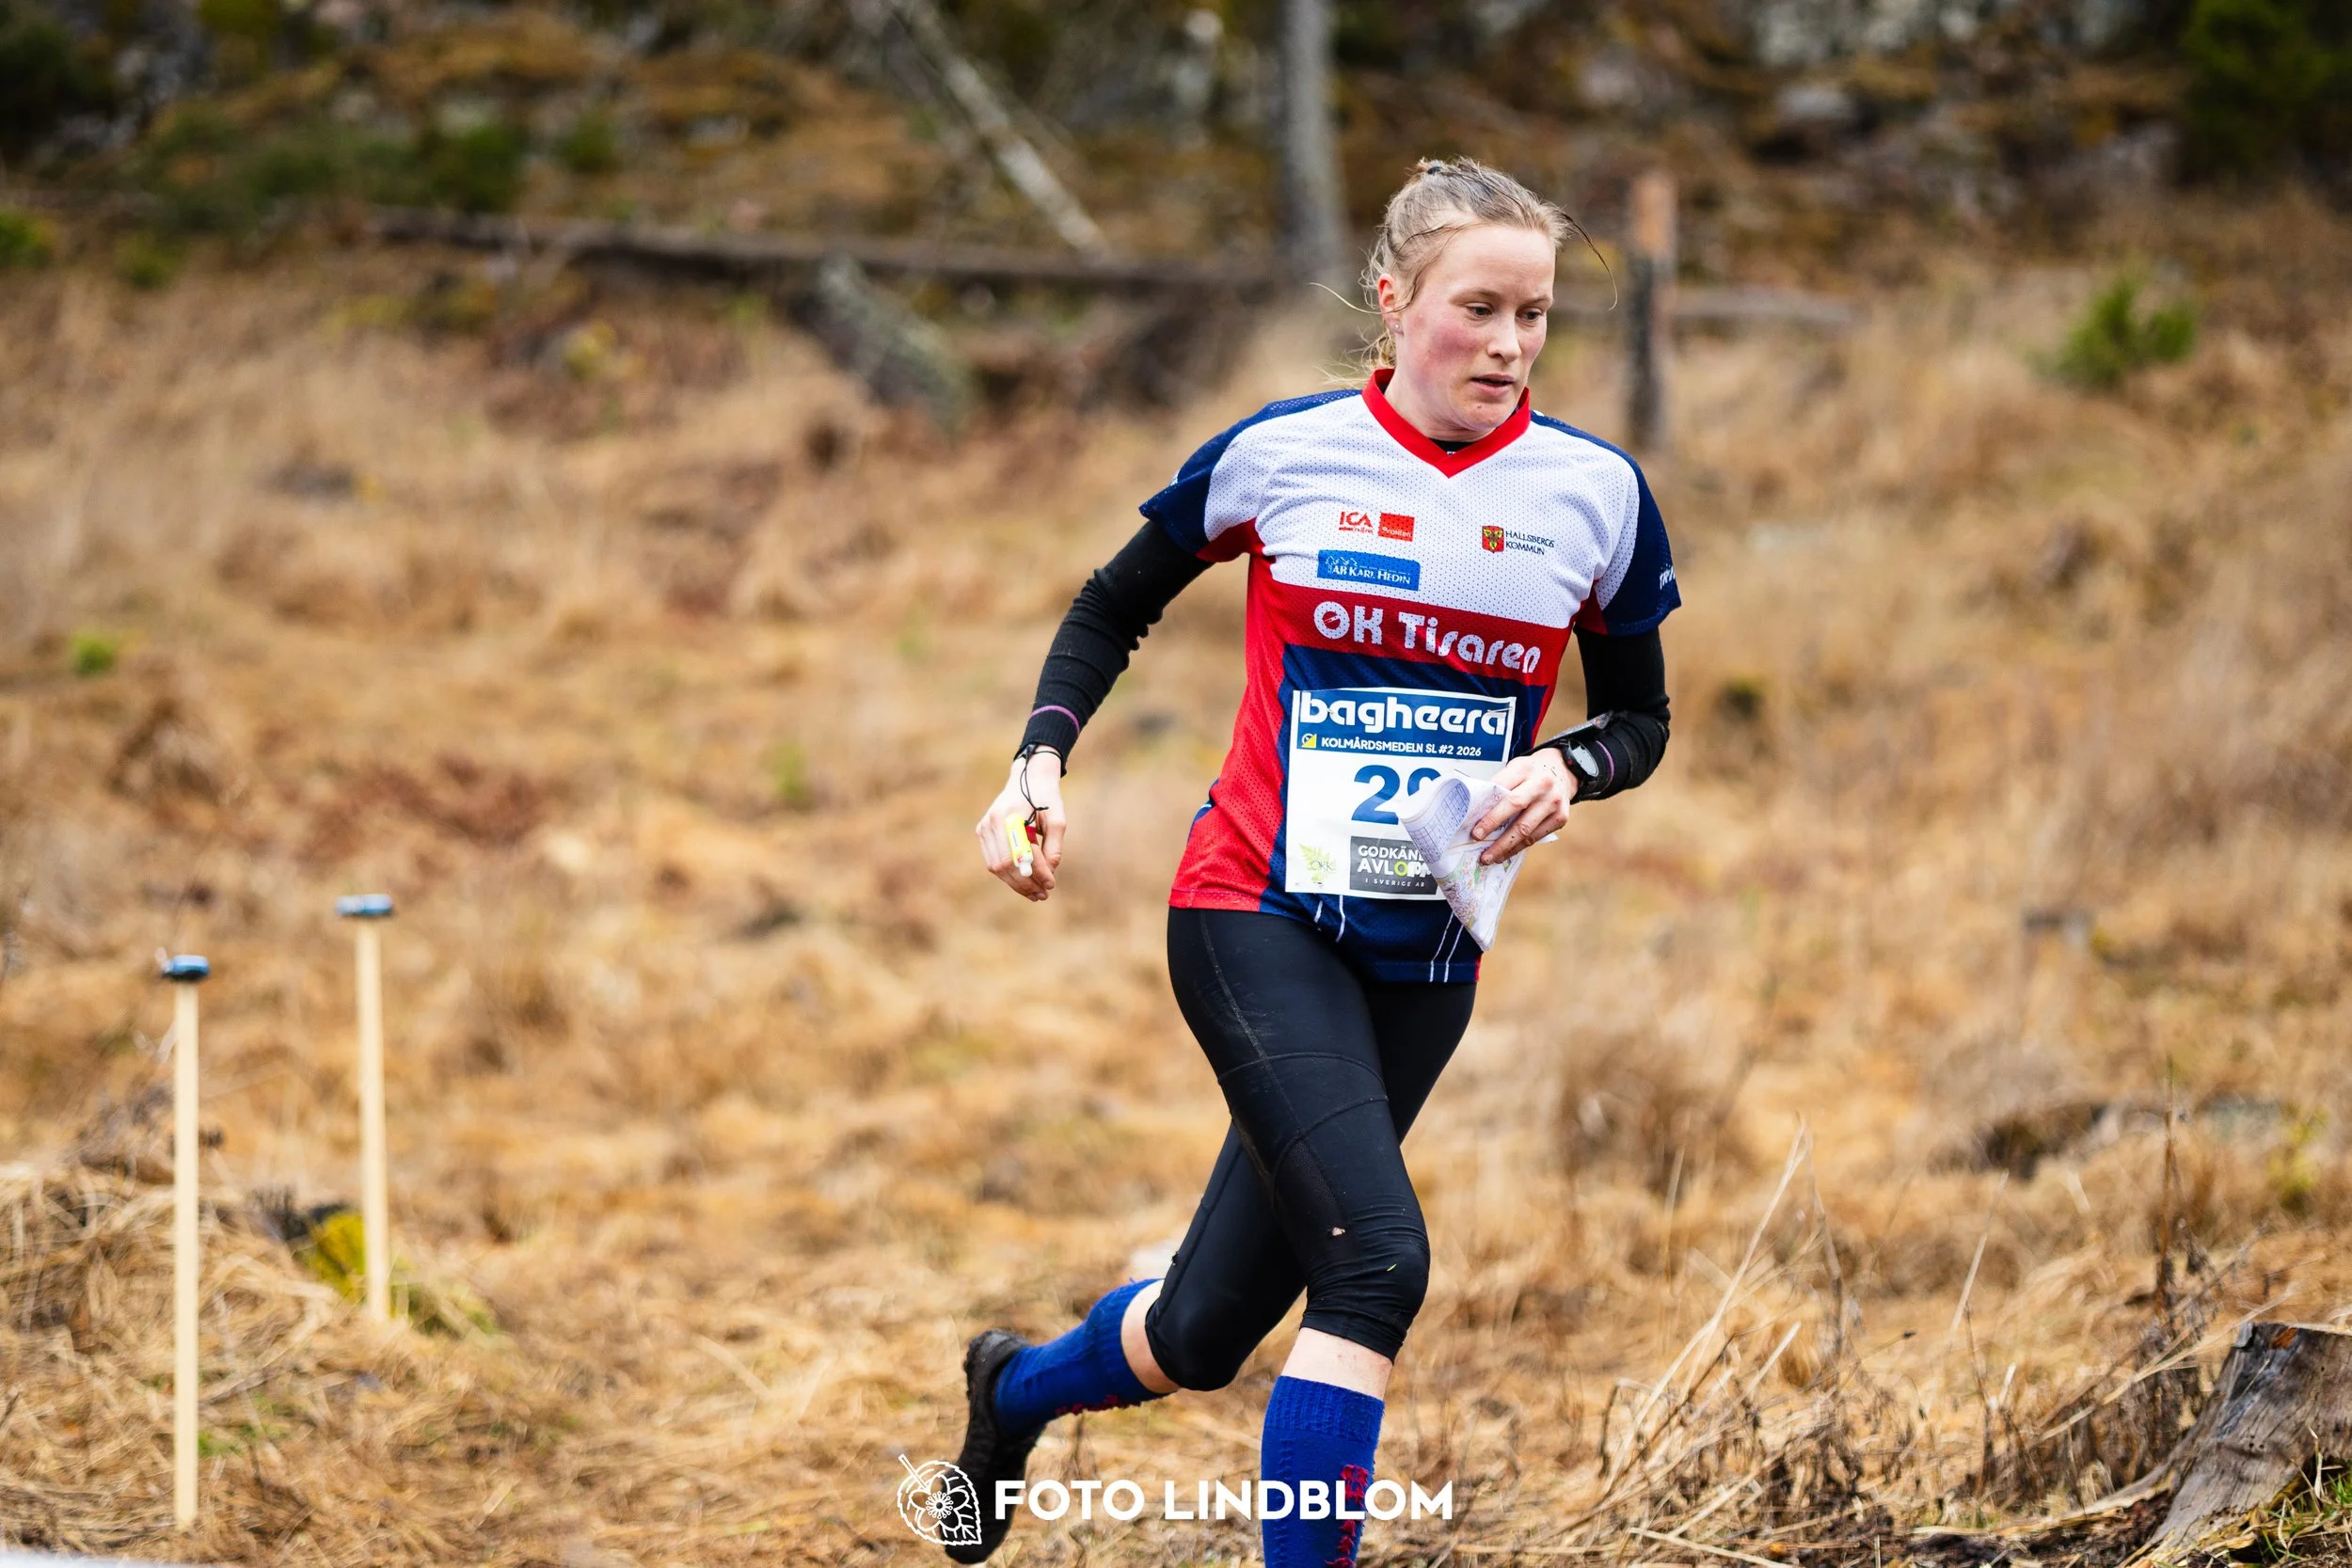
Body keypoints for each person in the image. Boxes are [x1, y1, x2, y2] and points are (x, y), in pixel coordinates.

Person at [952, 156, 1679, 1567]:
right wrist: (1038, 759)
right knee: (1376, 1263)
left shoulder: (1593, 493)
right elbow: (1111, 607)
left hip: (1427, 948)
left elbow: (1642, 716)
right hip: (1251, 907)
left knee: (1205, 1330)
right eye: (1480, 310)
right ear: (1397, 301)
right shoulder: (1287, 452)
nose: (1512, 345)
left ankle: (1012, 1387)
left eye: (1536, 316)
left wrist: (1571, 763)